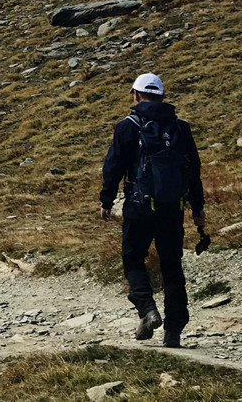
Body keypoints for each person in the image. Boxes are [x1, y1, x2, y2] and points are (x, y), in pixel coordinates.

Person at [99, 73, 205, 348]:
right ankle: (174, 333)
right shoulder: (181, 129)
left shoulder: (127, 126)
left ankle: (147, 308)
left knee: (133, 258)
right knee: (172, 268)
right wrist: (198, 209)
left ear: (135, 95)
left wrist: (106, 201)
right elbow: (194, 171)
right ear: (162, 96)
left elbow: (113, 167)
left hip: (139, 206)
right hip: (173, 208)